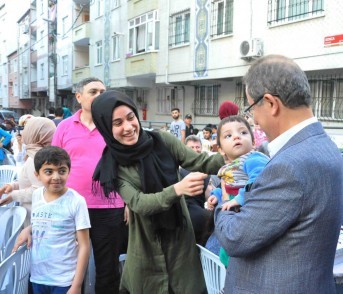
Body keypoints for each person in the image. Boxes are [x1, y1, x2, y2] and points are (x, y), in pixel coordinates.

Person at [215, 54, 343, 293]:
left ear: (271, 104)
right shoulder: (326, 147)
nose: (253, 120)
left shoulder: (291, 165)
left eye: (251, 108)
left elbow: (236, 237)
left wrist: (223, 202)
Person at [91, 91, 226, 293]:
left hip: (180, 238)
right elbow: (139, 203)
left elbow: (201, 162)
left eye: (130, 118)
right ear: (106, 128)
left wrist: (234, 156)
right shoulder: (113, 166)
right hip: (145, 244)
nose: (128, 127)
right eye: (117, 123)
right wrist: (177, 189)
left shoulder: (162, 140)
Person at [52, 77, 127, 294]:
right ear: (79, 97)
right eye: (93, 91)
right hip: (71, 207)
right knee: (69, 267)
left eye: (103, 91)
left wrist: (128, 202)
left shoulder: (115, 127)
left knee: (108, 269)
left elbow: (127, 166)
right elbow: (54, 164)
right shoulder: (65, 127)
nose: (99, 96)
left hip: (109, 206)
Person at [206, 115, 269, 266]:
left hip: (248, 213)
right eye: (228, 135)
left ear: (253, 143)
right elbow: (230, 185)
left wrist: (239, 198)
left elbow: (258, 182)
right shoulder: (230, 167)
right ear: (220, 149)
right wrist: (217, 195)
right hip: (234, 215)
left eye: (243, 133)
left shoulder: (253, 159)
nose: (236, 137)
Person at [29, 146, 90, 294]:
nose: (56, 177)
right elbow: (43, 223)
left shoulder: (76, 201)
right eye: (49, 171)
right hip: (38, 277)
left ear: (68, 172)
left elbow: (84, 246)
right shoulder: (36, 195)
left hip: (64, 280)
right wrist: (27, 230)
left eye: (62, 171)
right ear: (37, 175)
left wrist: (76, 285)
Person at [0, 117, 56, 226]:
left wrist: (13, 195)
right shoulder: (39, 155)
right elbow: (32, 181)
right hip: (37, 216)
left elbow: (39, 190)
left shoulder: (36, 157)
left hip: (37, 217)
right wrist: (13, 186)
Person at [179, 135, 213, 245]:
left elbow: (210, 195)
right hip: (191, 217)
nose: (195, 150)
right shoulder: (178, 171)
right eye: (191, 147)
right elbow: (210, 195)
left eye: (197, 147)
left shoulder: (204, 171)